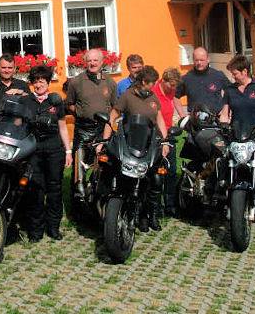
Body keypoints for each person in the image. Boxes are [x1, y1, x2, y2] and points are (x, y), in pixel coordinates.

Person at [101, 66, 168, 231]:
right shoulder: (127, 96)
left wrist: (165, 141)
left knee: (155, 179)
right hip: (132, 143)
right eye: (151, 83)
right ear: (144, 82)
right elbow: (113, 116)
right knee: (131, 178)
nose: (153, 87)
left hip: (150, 143)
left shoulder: (153, 97)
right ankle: (134, 212)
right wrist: (105, 139)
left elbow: (159, 118)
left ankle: (150, 215)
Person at [20, 65, 73, 241]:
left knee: (54, 189)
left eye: (42, 81)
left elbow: (63, 127)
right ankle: (35, 231)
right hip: (33, 151)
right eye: (35, 81)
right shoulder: (26, 101)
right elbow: (20, 126)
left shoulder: (55, 101)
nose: (38, 85)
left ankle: (53, 228)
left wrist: (68, 151)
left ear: (48, 83)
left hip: (54, 150)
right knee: (35, 190)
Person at [219, 54, 255, 224]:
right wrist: (222, 128)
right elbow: (225, 114)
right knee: (229, 168)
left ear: (244, 71)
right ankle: (230, 205)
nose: (232, 76)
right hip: (235, 135)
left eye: (234, 73)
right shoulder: (230, 90)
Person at [65, 48, 117, 199]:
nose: (92, 63)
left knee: (102, 167)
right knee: (78, 171)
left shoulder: (110, 82)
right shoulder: (76, 82)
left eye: (96, 60)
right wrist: (81, 112)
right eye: (89, 60)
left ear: (102, 62)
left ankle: (101, 201)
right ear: (85, 62)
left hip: (103, 130)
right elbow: (69, 104)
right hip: (83, 129)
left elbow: (115, 107)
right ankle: (77, 204)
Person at [152, 67, 182, 217]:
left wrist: (182, 116)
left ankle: (170, 204)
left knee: (171, 171)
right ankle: (155, 206)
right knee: (157, 172)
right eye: (171, 85)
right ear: (163, 81)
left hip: (169, 133)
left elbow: (175, 100)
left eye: (175, 85)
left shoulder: (171, 90)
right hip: (155, 135)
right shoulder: (153, 92)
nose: (174, 88)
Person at [176, 47, 229, 115]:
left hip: (216, 118)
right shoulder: (187, 78)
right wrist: (182, 116)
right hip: (195, 120)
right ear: (193, 60)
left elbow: (231, 92)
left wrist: (225, 112)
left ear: (208, 59)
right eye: (196, 60)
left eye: (202, 60)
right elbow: (175, 97)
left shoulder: (218, 75)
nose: (199, 63)